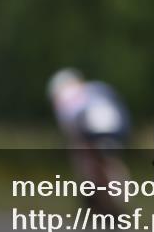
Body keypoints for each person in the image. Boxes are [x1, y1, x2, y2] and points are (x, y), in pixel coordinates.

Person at [47, 68, 132, 215]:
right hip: (118, 127)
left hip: (89, 129)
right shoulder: (98, 87)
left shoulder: (63, 100)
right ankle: (121, 199)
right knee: (112, 161)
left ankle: (91, 196)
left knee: (83, 157)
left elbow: (72, 131)